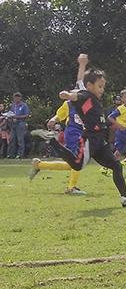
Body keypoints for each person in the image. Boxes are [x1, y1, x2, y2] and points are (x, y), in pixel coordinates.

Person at [49, 68, 126, 206]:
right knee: (77, 166)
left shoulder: (91, 95)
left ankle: (125, 198)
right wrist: (67, 95)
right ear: (90, 86)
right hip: (89, 139)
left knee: (116, 166)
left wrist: (82, 64)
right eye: (99, 86)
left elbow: (81, 82)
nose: (102, 90)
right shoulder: (86, 96)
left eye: (103, 87)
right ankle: (52, 141)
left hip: (100, 140)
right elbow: (77, 96)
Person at [29, 54, 89, 195]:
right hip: (73, 132)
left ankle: (40, 165)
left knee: (73, 164)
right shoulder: (70, 103)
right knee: (77, 162)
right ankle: (71, 188)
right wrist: (53, 119)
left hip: (81, 133)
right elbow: (60, 114)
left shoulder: (86, 101)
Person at [7, 92, 31, 159]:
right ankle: (11, 154)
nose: (16, 98)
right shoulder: (13, 105)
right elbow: (11, 113)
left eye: (18, 97)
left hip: (20, 124)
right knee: (12, 139)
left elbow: (26, 115)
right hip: (13, 124)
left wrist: (17, 117)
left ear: (20, 98)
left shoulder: (24, 105)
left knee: (20, 140)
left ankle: (20, 154)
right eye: (15, 97)